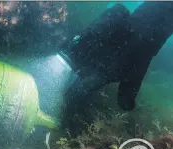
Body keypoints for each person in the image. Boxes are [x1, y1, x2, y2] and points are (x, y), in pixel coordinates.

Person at [59, 2, 173, 133]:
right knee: (88, 82)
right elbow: (145, 44)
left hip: (123, 41)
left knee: (88, 78)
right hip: (127, 46)